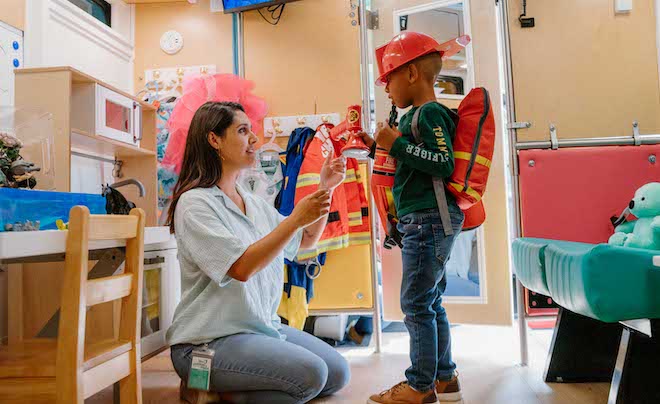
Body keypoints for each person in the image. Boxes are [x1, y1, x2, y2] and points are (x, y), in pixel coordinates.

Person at [165, 101, 350, 404]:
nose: (254, 139)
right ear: (214, 140)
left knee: (337, 372)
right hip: (206, 342)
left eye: (251, 130)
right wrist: (293, 219)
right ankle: (201, 381)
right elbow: (240, 268)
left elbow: (303, 241)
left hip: (258, 329)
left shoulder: (252, 202)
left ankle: (220, 390)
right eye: (242, 131)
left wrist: (325, 188)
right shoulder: (194, 204)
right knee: (311, 375)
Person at [359, 32, 465, 404]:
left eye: (388, 79)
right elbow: (409, 165)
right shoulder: (414, 116)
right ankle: (445, 378)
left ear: (412, 74)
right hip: (423, 219)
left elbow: (443, 162)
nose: (386, 89)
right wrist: (378, 147)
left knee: (416, 304)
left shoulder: (430, 113)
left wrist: (396, 143)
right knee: (430, 301)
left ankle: (419, 386)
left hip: (428, 219)